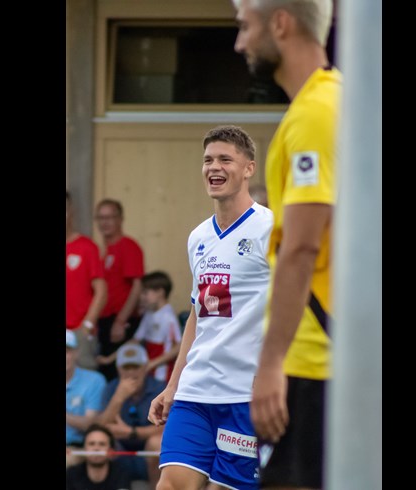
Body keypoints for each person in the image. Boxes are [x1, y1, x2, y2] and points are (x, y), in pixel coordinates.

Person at [233, 1, 341, 488]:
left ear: (280, 23)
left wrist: (272, 362)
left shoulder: (314, 116)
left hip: (315, 364)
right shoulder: (328, 104)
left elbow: (301, 247)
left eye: (245, 27)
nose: (240, 43)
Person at [149, 125, 273, 490]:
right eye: (207, 160)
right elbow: (197, 316)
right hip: (195, 391)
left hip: (244, 395)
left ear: (249, 168)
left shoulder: (270, 228)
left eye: (224, 159)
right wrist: (172, 385)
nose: (213, 167)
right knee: (171, 484)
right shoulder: (198, 237)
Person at [96, 344, 166, 488]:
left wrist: (132, 433)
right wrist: (118, 398)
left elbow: (168, 427)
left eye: (136, 367)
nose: (131, 373)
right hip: (120, 452)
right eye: (126, 368)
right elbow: (100, 429)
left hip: (150, 453)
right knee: (100, 444)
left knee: (156, 442)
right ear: (118, 369)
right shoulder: (111, 388)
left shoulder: (160, 388)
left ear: (146, 366)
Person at [98, 270, 182, 383]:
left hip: (162, 376)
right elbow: (135, 340)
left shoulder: (168, 317)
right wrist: (110, 359)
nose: (142, 297)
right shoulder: (149, 313)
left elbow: (177, 348)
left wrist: (152, 363)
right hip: (148, 372)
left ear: (160, 292)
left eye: (145, 293)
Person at [94, 198, 145, 382]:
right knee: (104, 372)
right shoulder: (101, 250)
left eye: (109, 217)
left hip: (121, 322)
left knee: (119, 374)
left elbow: (137, 286)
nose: (104, 222)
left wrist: (121, 321)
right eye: (100, 218)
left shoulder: (128, 246)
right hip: (103, 322)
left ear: (120, 219)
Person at [67, 191, 108, 370]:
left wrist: (87, 324)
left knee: (85, 384)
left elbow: (101, 291)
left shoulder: (87, 247)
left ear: (70, 212)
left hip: (79, 332)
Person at [67, 330, 109, 467]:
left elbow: (90, 424)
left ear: (76, 353)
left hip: (79, 447)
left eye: (68, 351)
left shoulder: (94, 380)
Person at [66, 424, 133, 490]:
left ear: (111, 450)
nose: (96, 448)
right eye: (91, 444)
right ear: (84, 448)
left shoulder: (121, 473)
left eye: (102, 444)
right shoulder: (72, 474)